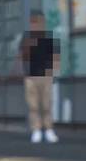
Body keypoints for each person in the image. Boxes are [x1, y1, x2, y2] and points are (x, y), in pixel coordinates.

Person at [19, 11, 59, 144]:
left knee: (47, 104)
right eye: (35, 22)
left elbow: (55, 57)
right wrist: (24, 72)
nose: (37, 25)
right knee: (33, 105)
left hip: (45, 76)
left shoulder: (48, 38)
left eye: (40, 22)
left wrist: (53, 72)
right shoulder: (26, 38)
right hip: (31, 77)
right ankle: (36, 129)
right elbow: (21, 56)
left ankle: (48, 129)